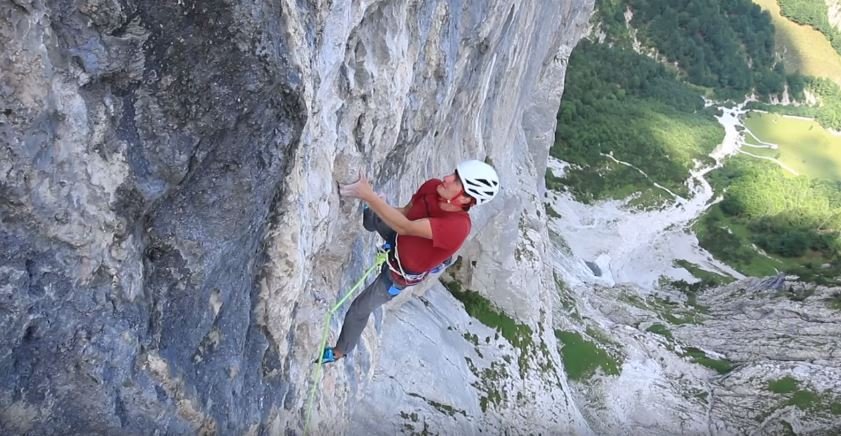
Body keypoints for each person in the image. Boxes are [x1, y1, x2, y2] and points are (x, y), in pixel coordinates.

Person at [319, 160, 500, 363]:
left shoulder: (457, 227)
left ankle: (339, 352)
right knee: (373, 215)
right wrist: (382, 206)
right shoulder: (432, 187)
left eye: (457, 181)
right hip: (398, 241)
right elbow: (406, 213)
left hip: (399, 275)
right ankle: (368, 219)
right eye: (454, 173)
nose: (447, 178)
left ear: (466, 198)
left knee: (359, 309)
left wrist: (368, 195)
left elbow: (406, 227)